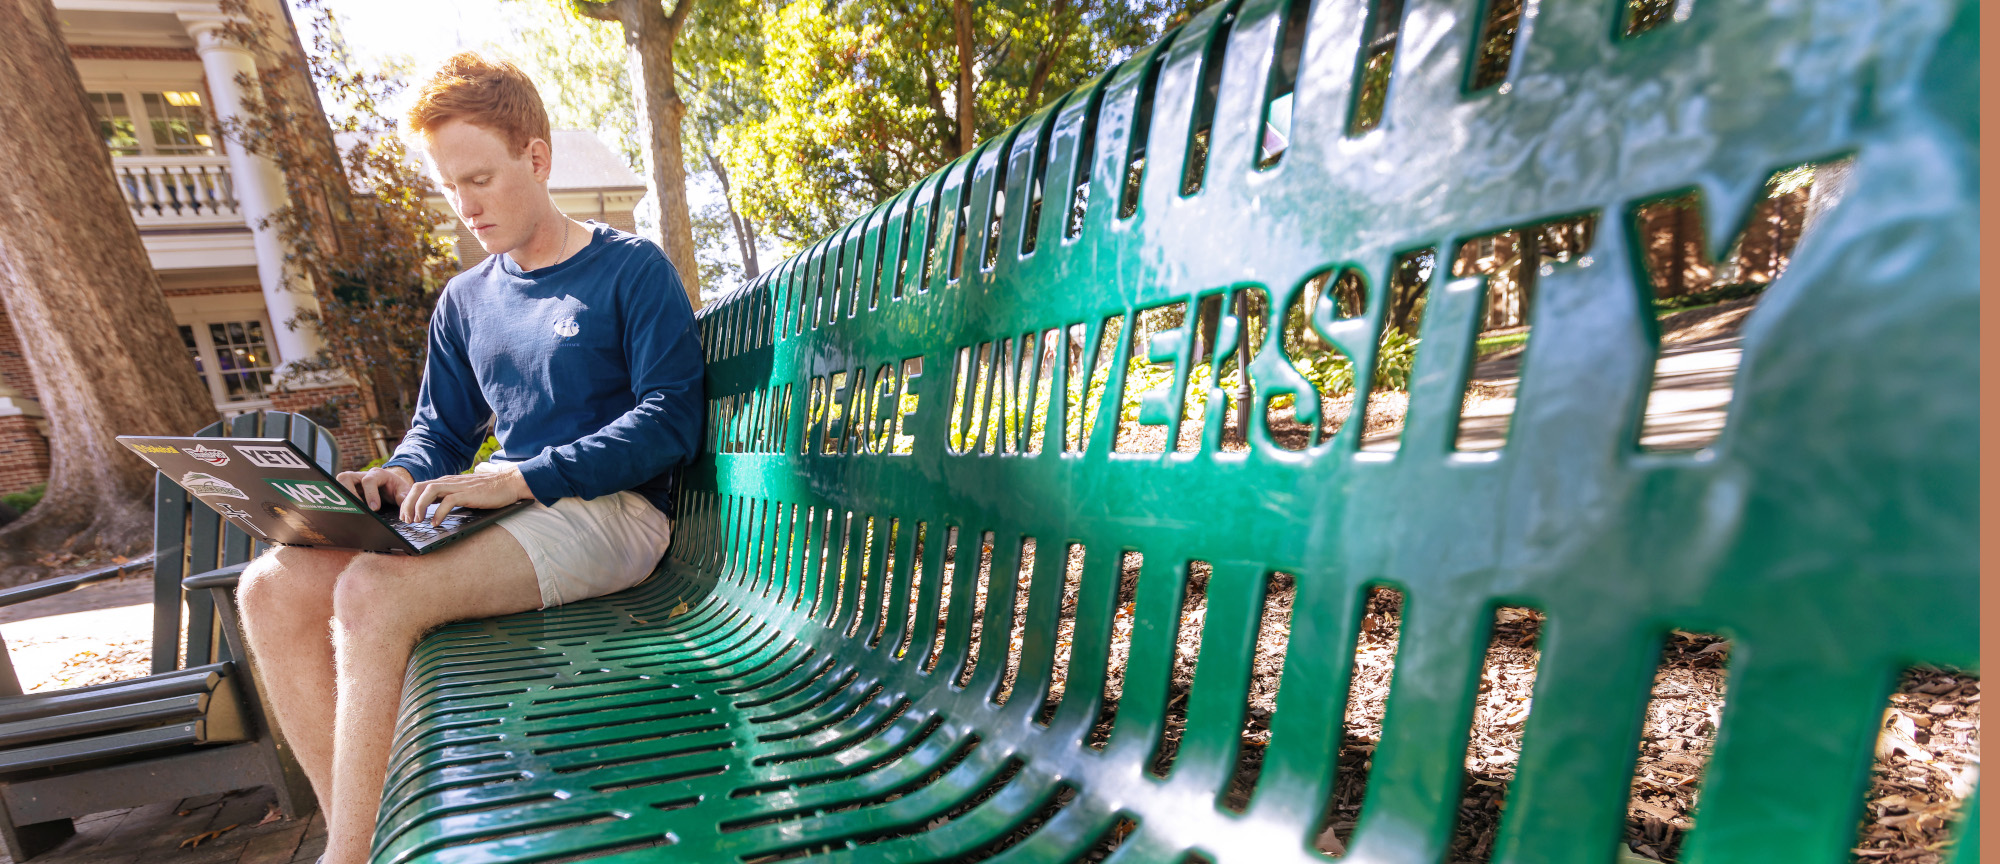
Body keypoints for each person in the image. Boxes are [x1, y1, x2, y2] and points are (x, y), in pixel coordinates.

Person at [234, 52, 703, 864]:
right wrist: (400, 473)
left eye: (480, 179)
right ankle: (361, 837)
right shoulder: (464, 300)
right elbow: (439, 432)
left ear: (536, 157)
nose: (466, 205)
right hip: (505, 501)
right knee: (273, 585)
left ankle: (346, 858)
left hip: (615, 511)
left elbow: (669, 423)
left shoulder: (631, 271)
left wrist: (524, 477)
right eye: (451, 187)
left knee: (374, 592)